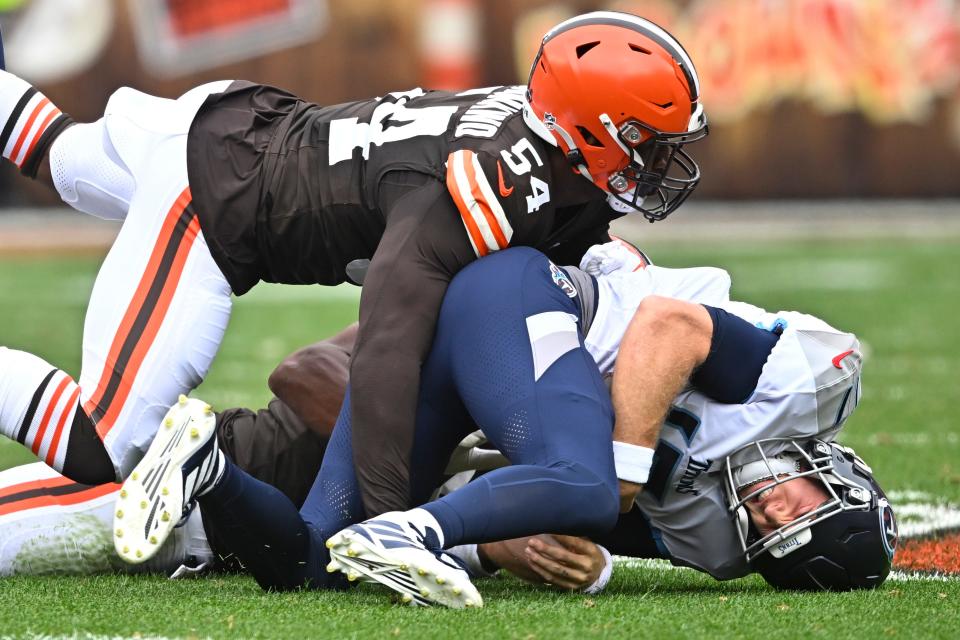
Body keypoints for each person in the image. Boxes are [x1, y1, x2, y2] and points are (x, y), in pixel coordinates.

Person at [0, 12, 708, 522]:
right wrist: (389, 516)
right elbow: (387, 343)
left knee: (61, 156)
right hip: (214, 198)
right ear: (591, 129)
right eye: (648, 143)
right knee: (103, 440)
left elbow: (567, 238)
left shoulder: (543, 151)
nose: (660, 163)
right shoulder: (487, 186)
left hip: (239, 128)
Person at [119, 242, 894, 608]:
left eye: (773, 535)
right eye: (802, 507)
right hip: (525, 301)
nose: (769, 511)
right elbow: (668, 327)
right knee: (595, 483)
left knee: (313, 563)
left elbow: (538, 507)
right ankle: (411, 533)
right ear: (842, 479)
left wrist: (541, 555)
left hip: (480, 379)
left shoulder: (715, 542)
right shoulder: (810, 386)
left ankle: (202, 465)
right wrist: (616, 480)